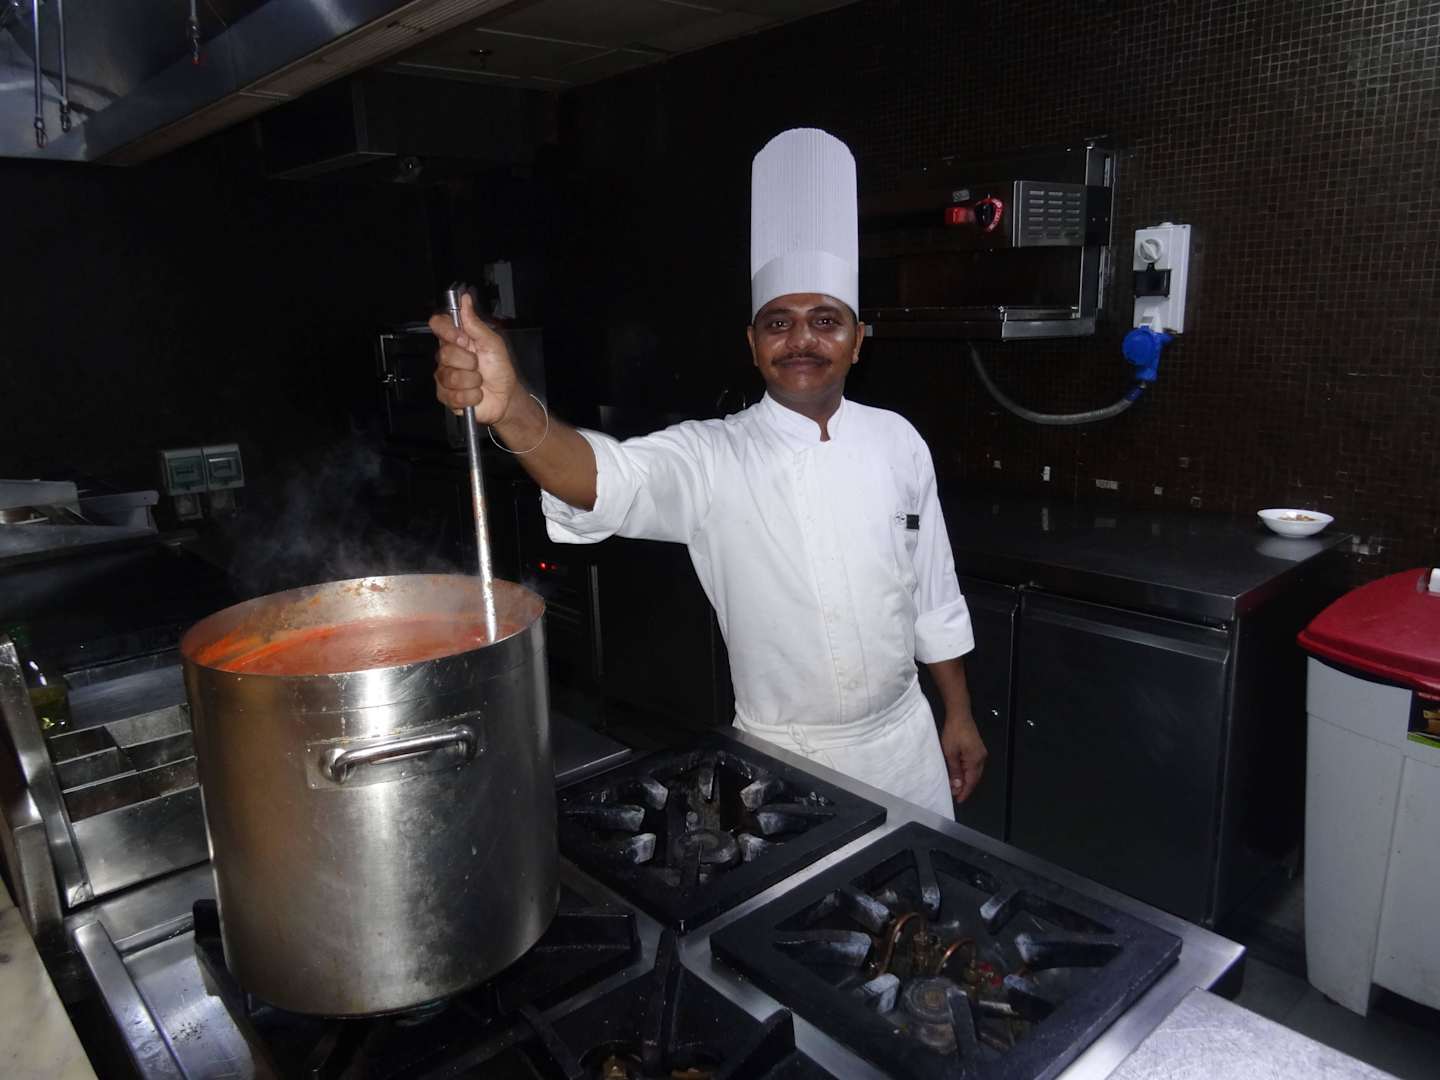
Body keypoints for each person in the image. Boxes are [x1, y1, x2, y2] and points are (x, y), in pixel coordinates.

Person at [431, 128, 986, 819]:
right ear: (752, 345)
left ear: (857, 341)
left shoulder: (899, 441)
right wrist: (513, 408)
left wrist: (958, 713)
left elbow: (934, 595)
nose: (802, 339)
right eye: (778, 323)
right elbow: (610, 478)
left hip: (907, 747)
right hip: (787, 763)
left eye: (826, 320)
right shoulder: (713, 457)